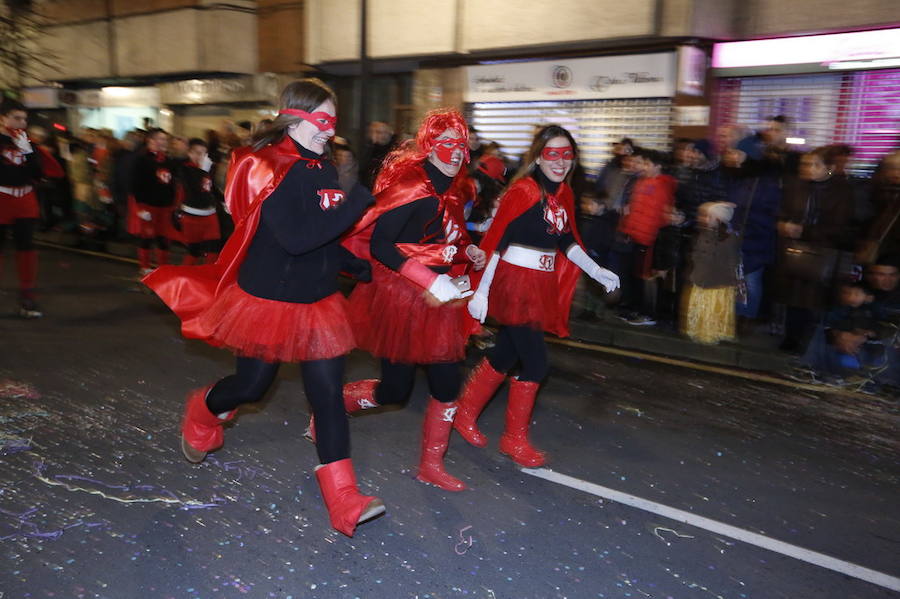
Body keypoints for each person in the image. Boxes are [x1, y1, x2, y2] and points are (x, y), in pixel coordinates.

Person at [143, 79, 383, 537]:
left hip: (318, 302)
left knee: (328, 396)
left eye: (333, 123)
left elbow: (322, 236)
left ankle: (343, 498)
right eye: (321, 121)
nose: (328, 131)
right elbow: (295, 239)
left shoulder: (321, 165)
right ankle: (203, 408)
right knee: (252, 386)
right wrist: (357, 200)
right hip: (269, 299)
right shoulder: (271, 167)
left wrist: (354, 264)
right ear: (292, 116)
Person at [333, 109, 486, 492]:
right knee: (395, 391)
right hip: (402, 297)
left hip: (440, 299)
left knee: (447, 383)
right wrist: (429, 279)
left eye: (460, 144)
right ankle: (332, 407)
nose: (454, 152)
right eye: (446, 143)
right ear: (429, 147)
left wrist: (471, 253)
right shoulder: (411, 187)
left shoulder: (453, 191)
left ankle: (431, 465)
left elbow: (447, 241)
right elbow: (382, 247)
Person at [452, 125, 619, 467]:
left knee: (505, 353)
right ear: (539, 157)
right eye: (552, 153)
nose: (560, 161)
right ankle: (513, 439)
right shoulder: (524, 192)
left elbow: (566, 241)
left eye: (567, 154)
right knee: (536, 362)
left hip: (539, 283)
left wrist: (594, 269)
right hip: (514, 283)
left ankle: (464, 412)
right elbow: (497, 241)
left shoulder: (564, 196)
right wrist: (481, 291)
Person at [0, 98, 45, 318]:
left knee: (26, 249)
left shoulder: (28, 142)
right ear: (3, 118)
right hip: (1, 197)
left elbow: (37, 174)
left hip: (25, 199)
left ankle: (28, 296)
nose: (21, 123)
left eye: (24, 119)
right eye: (17, 118)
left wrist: (27, 152)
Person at [679, 202, 740, 344]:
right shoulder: (703, 234)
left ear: (718, 219)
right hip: (701, 277)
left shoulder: (729, 239)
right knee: (701, 307)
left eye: (710, 217)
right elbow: (695, 253)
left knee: (712, 309)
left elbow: (732, 261)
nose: (706, 219)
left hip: (717, 281)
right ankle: (698, 330)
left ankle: (711, 332)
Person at [129, 128, 178, 276]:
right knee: (147, 237)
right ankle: (144, 267)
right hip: (148, 206)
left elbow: (172, 184)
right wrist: (140, 207)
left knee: (163, 238)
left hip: (165, 207)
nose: (163, 142)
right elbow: (135, 184)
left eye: (164, 139)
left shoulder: (168, 161)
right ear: (150, 140)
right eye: (160, 139)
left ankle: (162, 268)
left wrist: (172, 205)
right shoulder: (142, 159)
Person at [173, 138, 220, 265]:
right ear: (190, 153)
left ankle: (208, 279)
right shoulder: (185, 169)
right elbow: (194, 190)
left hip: (210, 214)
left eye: (204, 153)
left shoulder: (206, 168)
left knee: (213, 248)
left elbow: (210, 187)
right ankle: (185, 279)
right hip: (192, 215)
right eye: (198, 153)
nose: (201, 157)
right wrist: (203, 171)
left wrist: (224, 200)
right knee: (194, 250)